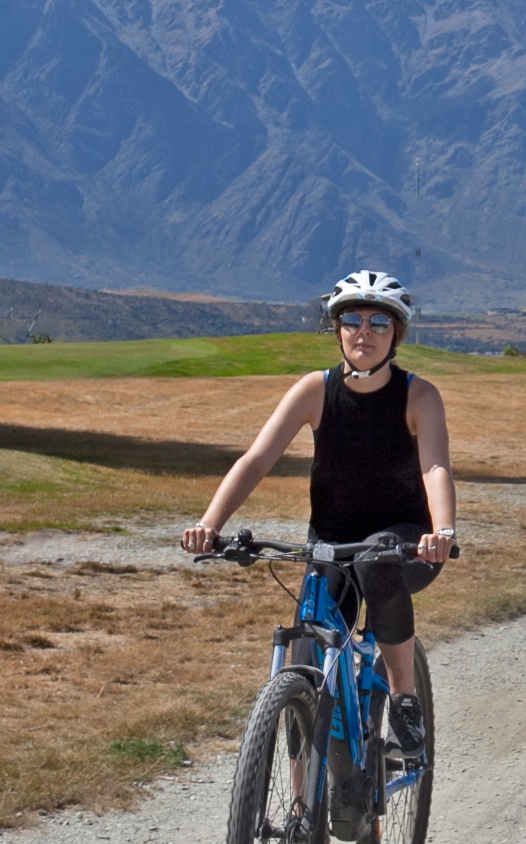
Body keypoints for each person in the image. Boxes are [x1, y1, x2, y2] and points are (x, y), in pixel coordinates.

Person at [182, 271, 453, 759]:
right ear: (337, 329)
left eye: (378, 323)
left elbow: (434, 468)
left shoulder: (418, 396)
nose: (364, 332)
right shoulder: (315, 390)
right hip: (331, 541)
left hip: (405, 543)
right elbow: (256, 460)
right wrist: (210, 525)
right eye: (352, 321)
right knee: (307, 657)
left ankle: (403, 698)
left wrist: (442, 531)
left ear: (396, 334)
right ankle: (301, 801)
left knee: (375, 565)